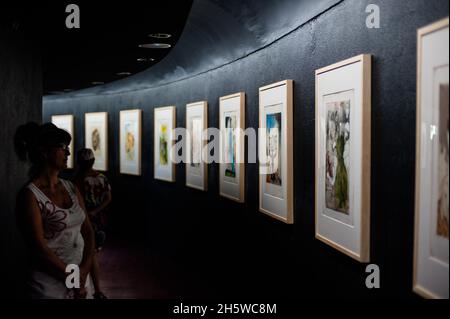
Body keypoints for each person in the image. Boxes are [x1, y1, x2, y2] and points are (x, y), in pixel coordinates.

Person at [14, 122, 95, 299]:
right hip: (49, 287)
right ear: (44, 151)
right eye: (63, 147)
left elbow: (88, 231)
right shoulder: (30, 195)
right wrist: (74, 279)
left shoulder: (71, 188)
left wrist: (85, 269)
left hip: (80, 280)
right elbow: (39, 248)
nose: (68, 153)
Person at [73, 148, 112, 299]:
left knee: (88, 253)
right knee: (93, 252)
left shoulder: (77, 180)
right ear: (93, 161)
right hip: (98, 218)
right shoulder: (102, 178)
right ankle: (97, 290)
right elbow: (109, 198)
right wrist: (97, 211)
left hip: (83, 219)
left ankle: (87, 287)